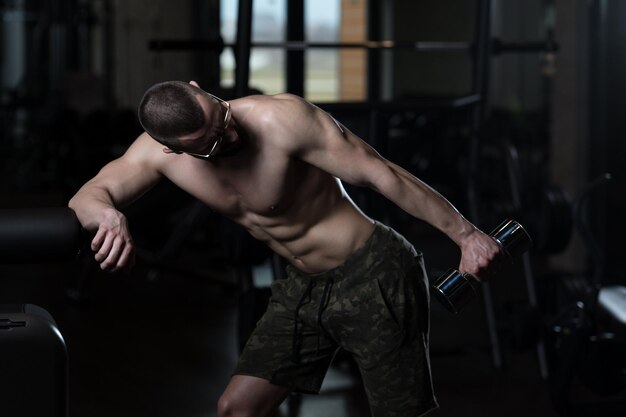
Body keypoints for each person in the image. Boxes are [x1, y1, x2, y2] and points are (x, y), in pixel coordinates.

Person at [69, 80, 502, 417]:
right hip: (304, 286)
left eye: (222, 115)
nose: (232, 132)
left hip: (374, 270)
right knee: (235, 408)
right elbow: (88, 194)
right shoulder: (154, 155)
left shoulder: (283, 119)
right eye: (214, 143)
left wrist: (465, 235)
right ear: (173, 149)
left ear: (201, 91)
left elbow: (380, 173)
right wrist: (107, 214)